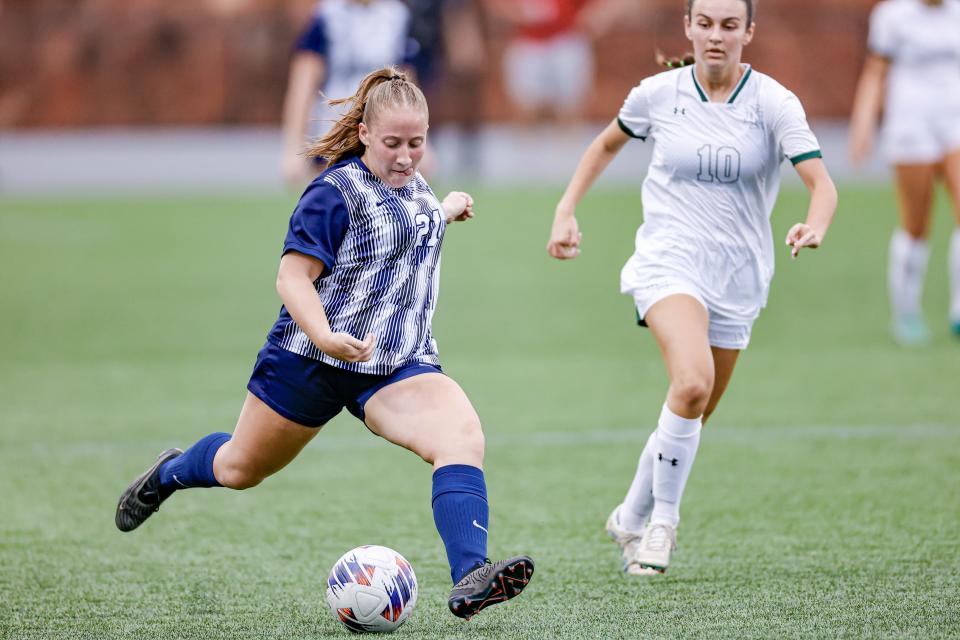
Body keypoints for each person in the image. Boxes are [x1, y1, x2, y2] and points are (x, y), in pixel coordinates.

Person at [117, 67, 534, 620]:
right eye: (392, 143)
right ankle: (170, 470)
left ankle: (471, 575)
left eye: (417, 143)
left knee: (460, 435)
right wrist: (326, 337)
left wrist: (447, 209)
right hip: (308, 359)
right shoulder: (332, 194)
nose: (406, 156)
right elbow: (292, 279)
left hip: (394, 364)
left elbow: (408, 228)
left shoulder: (418, 189)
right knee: (240, 469)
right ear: (363, 132)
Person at [547, 0, 837, 575]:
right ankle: (662, 527)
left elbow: (822, 184)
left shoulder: (773, 103)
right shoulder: (658, 94)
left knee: (691, 410)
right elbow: (606, 144)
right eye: (704, 23)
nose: (715, 36)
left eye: (729, 25)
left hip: (740, 276)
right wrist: (565, 208)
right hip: (668, 263)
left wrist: (815, 224)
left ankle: (629, 515)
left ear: (748, 32)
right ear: (688, 27)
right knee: (691, 380)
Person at [849, 0, 960, 344]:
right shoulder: (892, 16)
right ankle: (907, 312)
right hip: (910, 126)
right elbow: (875, 72)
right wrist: (863, 124)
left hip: (954, 122)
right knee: (916, 224)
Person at [280, 0, 415, 186]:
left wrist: (419, 139)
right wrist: (294, 148)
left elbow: (407, 82)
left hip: (384, 133)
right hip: (336, 133)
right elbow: (303, 83)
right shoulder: (327, 16)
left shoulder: (396, 16)